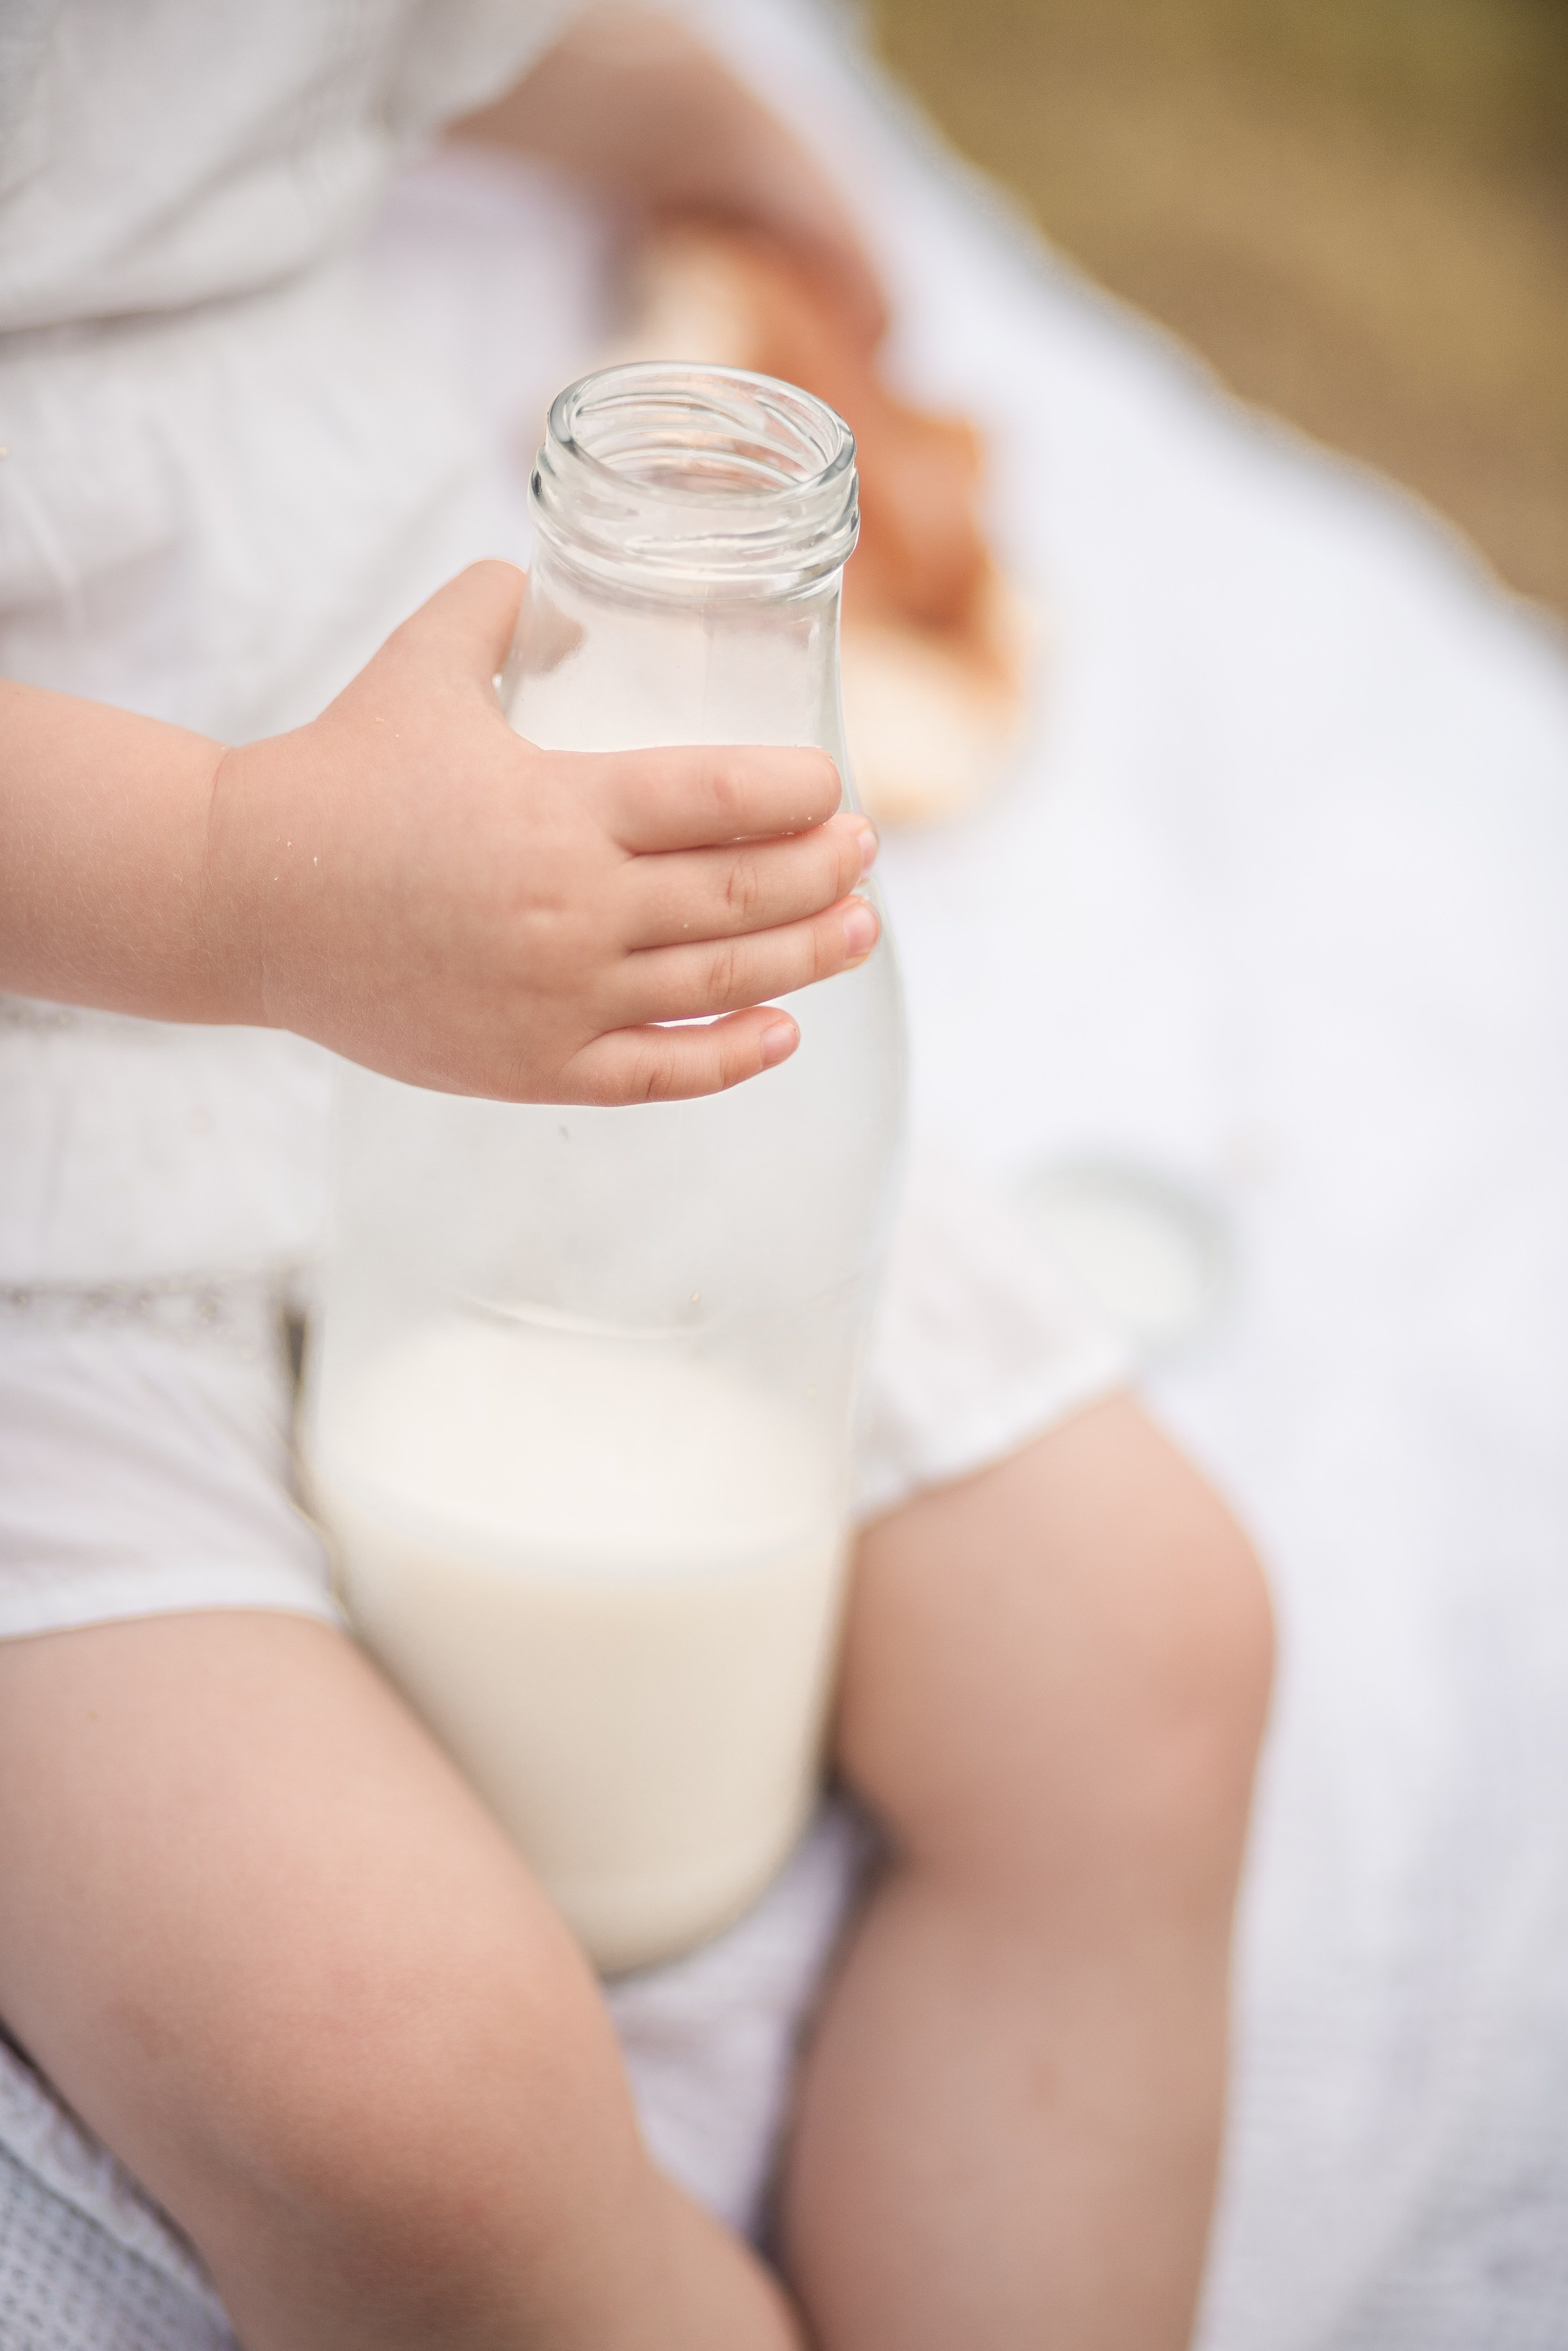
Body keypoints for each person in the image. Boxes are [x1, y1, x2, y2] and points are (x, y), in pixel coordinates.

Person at [0, 7, 1273, 2348]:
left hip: (467, 840)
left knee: (1149, 1658)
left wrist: (681, 116)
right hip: (43, 1125)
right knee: (402, 2086)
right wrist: (218, 879)